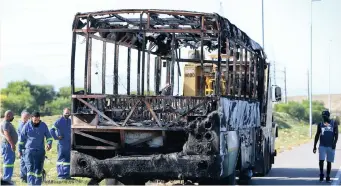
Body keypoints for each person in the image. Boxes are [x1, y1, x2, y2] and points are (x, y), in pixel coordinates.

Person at [18, 111, 53, 186]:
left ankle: (37, 184)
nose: (36, 122)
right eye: (35, 120)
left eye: (38, 120)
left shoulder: (43, 125)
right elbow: (21, 140)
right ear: (31, 118)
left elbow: (49, 137)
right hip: (29, 152)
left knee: (38, 170)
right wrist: (19, 150)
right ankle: (31, 184)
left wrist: (49, 144)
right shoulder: (27, 126)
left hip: (40, 152)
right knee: (30, 170)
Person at [313, 110, 339, 183]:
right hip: (322, 145)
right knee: (321, 160)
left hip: (330, 146)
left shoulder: (334, 123)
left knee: (329, 162)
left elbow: (336, 134)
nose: (324, 117)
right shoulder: (320, 124)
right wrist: (314, 146)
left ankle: (328, 175)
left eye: (325, 116)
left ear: (328, 116)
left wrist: (334, 143)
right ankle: (321, 174)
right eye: (323, 116)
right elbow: (317, 135)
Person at [49, 108, 72, 180]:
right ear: (63, 113)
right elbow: (51, 130)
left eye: (68, 113)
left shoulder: (70, 121)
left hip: (68, 144)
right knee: (61, 159)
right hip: (62, 144)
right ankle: (61, 176)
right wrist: (56, 137)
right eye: (66, 113)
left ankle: (67, 175)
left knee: (67, 160)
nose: (67, 114)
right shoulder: (59, 121)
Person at [0, 110, 17, 183]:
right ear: (8, 116)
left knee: (8, 161)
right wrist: (12, 144)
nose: (13, 118)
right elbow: (6, 134)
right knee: (8, 162)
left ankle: (7, 178)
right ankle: (6, 179)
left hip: (6, 145)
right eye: (12, 116)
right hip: (8, 145)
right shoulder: (6, 124)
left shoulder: (4, 123)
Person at [17, 111, 30, 182]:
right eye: (25, 118)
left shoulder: (28, 124)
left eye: (28, 118)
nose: (27, 119)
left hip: (27, 147)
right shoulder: (22, 125)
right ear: (22, 118)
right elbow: (21, 138)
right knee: (24, 162)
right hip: (23, 147)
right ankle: (24, 177)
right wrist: (19, 150)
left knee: (26, 162)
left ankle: (25, 177)